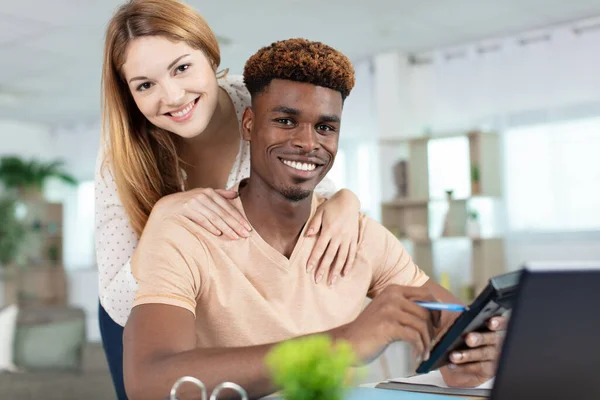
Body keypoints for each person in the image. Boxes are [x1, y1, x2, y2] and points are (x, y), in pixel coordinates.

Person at [123, 38, 507, 400]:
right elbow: (149, 380)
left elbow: (460, 331)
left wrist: (473, 354)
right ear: (250, 125)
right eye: (286, 121)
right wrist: (344, 341)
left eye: (325, 127)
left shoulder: (361, 235)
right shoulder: (185, 232)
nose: (309, 142)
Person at [96, 0, 363, 398]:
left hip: (223, 302)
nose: (171, 96)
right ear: (130, 94)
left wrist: (345, 201)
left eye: (182, 67)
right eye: (145, 85)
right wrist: (166, 214)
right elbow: (118, 300)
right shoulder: (120, 156)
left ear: (209, 53)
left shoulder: (260, 101)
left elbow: (304, 174)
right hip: (144, 312)